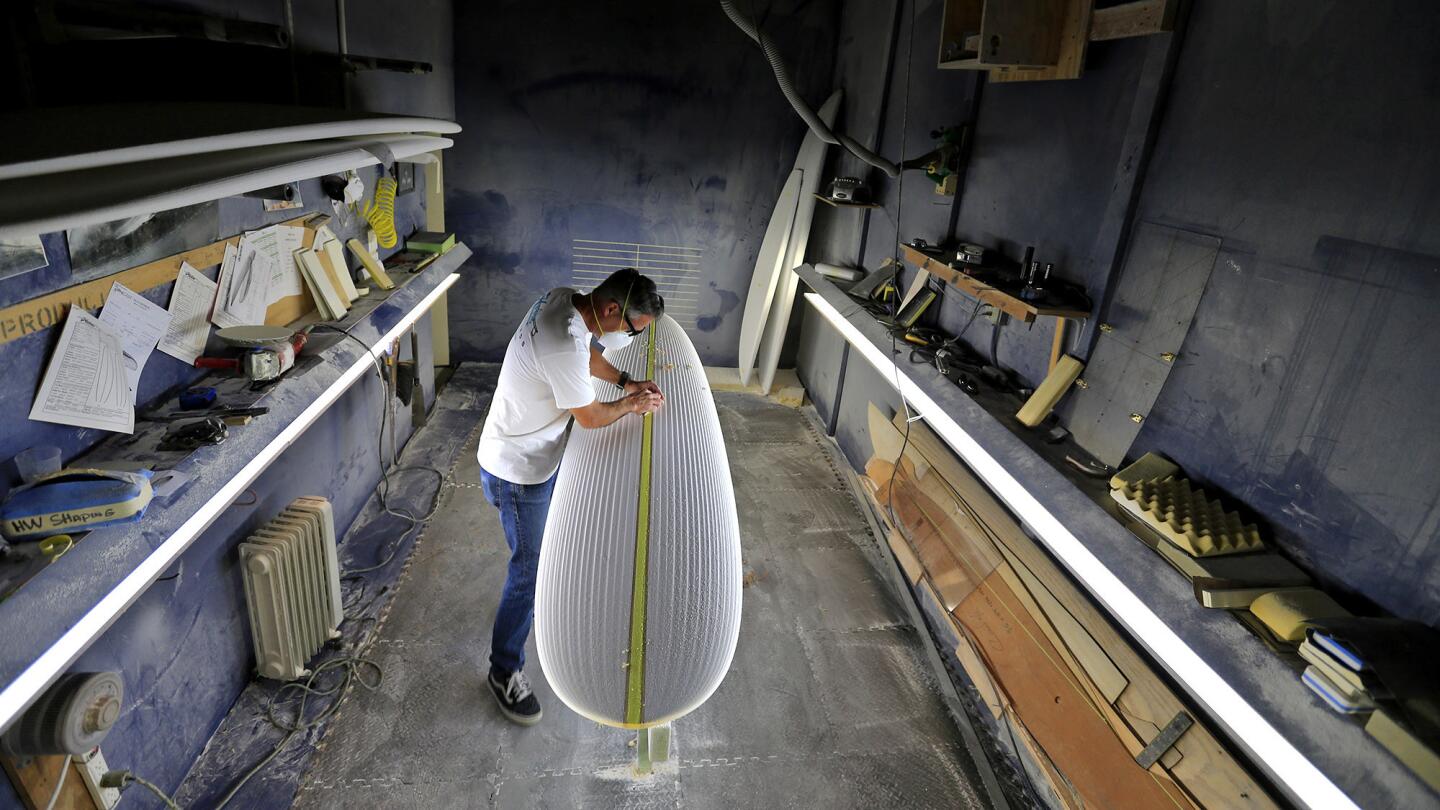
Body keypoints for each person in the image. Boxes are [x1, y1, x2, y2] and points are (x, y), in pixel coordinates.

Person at [476, 267, 665, 725]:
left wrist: (625, 380)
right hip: (518, 472)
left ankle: (517, 614)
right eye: (632, 329)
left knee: (534, 557)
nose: (629, 336)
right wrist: (631, 404)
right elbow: (591, 417)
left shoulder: (562, 300)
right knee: (530, 570)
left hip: (519, 450)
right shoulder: (562, 343)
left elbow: (588, 358)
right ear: (612, 309)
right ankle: (504, 671)